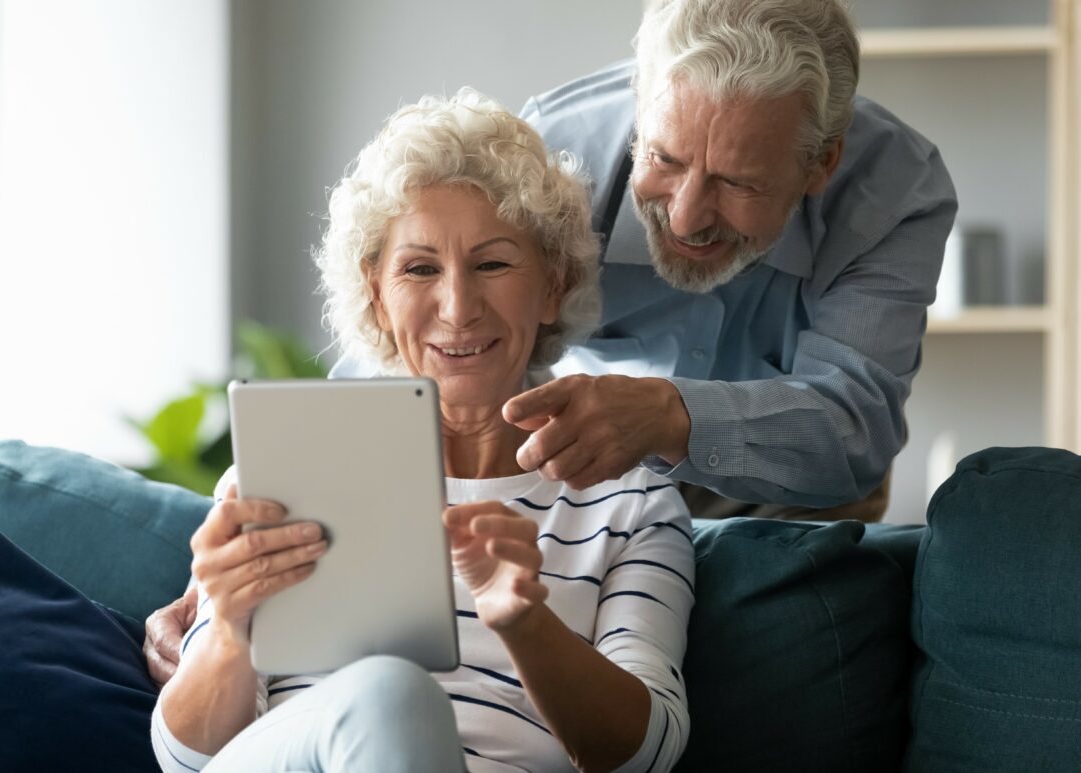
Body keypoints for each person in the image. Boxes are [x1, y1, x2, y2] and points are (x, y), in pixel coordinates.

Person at [150, 90, 694, 773]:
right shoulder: (286, 467)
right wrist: (228, 629)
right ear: (377, 294)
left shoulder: (631, 505)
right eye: (419, 268)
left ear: (552, 286)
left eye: (493, 264)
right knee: (388, 692)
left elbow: (645, 754)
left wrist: (525, 620)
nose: (459, 308)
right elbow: (184, 758)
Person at [333, 0, 958, 522]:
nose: (686, 218)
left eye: (737, 183)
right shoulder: (551, 153)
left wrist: (670, 415)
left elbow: (855, 427)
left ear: (820, 163)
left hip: (792, 494)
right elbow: (412, 337)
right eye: (665, 159)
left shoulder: (894, 190)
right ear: (641, 104)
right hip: (590, 478)